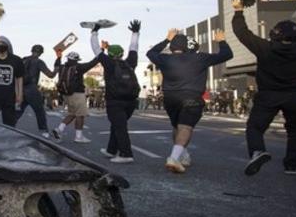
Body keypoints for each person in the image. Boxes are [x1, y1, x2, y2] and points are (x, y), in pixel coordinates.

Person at [233, 0, 296, 176]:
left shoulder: (266, 47)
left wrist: (239, 11)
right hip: (294, 95)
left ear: (274, 34)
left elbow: (242, 33)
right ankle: (292, 165)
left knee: (255, 127)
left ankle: (258, 151)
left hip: (268, 95)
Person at [146, 27, 233, 173]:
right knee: (185, 127)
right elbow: (227, 54)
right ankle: (174, 158)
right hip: (191, 97)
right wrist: (221, 41)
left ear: (172, 47)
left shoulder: (165, 59)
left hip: (170, 98)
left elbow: (150, 53)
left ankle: (183, 155)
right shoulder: (200, 58)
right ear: (187, 47)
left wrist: (167, 39)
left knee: (176, 127)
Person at [89, 21, 142, 163]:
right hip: (131, 101)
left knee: (120, 126)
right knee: (117, 124)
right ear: (122, 53)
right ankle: (111, 149)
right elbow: (134, 47)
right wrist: (135, 32)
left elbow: (95, 49)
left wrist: (95, 31)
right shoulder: (130, 62)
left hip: (115, 101)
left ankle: (126, 154)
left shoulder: (109, 63)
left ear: (110, 54)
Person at [52, 48, 95, 144]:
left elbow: (56, 65)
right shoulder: (78, 67)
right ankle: (78, 136)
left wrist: (59, 57)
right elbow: (93, 63)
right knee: (80, 115)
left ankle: (59, 129)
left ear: (68, 59)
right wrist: (101, 51)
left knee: (72, 114)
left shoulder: (62, 67)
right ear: (76, 60)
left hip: (66, 94)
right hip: (77, 94)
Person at [18, 44, 56, 137]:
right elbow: (50, 75)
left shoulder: (24, 60)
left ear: (32, 50)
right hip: (32, 89)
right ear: (41, 52)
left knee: (18, 111)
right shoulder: (39, 62)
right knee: (39, 111)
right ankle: (44, 131)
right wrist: (56, 69)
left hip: (21, 89)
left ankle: (8, 127)